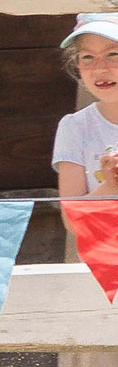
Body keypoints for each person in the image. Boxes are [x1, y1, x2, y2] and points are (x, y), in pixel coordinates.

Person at [54, 14, 118, 217]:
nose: (99, 68)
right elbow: (72, 222)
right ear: (77, 65)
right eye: (88, 57)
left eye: (113, 55)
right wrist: (110, 185)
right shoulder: (74, 127)